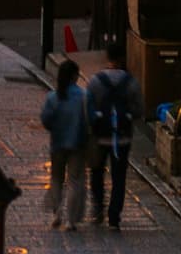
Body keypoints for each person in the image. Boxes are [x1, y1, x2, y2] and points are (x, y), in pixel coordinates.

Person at [86, 44, 144, 231]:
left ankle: (98, 207)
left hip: (100, 136)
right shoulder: (131, 82)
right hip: (122, 137)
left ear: (107, 57)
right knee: (119, 177)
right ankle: (114, 216)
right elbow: (139, 110)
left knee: (97, 172)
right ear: (122, 59)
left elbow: (88, 107)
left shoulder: (96, 81)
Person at [40, 59, 88, 231]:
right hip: (77, 143)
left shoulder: (53, 97)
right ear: (75, 76)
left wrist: (55, 128)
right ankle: (71, 220)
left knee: (57, 179)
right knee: (75, 181)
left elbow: (45, 119)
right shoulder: (83, 96)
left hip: (58, 143)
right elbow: (88, 120)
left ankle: (57, 214)